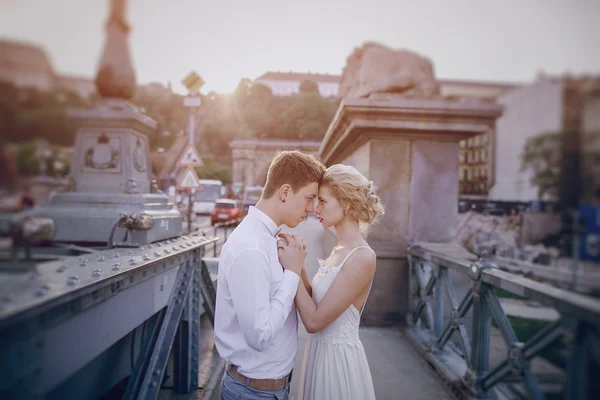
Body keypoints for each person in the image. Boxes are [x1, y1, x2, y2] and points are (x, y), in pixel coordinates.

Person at [214, 150, 325, 400]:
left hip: (268, 389)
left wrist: (297, 267)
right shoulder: (251, 248)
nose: (311, 208)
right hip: (252, 393)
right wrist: (292, 273)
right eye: (309, 198)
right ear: (284, 192)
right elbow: (259, 336)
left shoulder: (267, 238)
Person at [278, 164, 384, 400]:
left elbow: (314, 321)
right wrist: (299, 262)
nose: (315, 208)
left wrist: (292, 270)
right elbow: (314, 300)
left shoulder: (362, 256)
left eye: (323, 201)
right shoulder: (339, 249)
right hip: (319, 353)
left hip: (337, 362)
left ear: (347, 203)